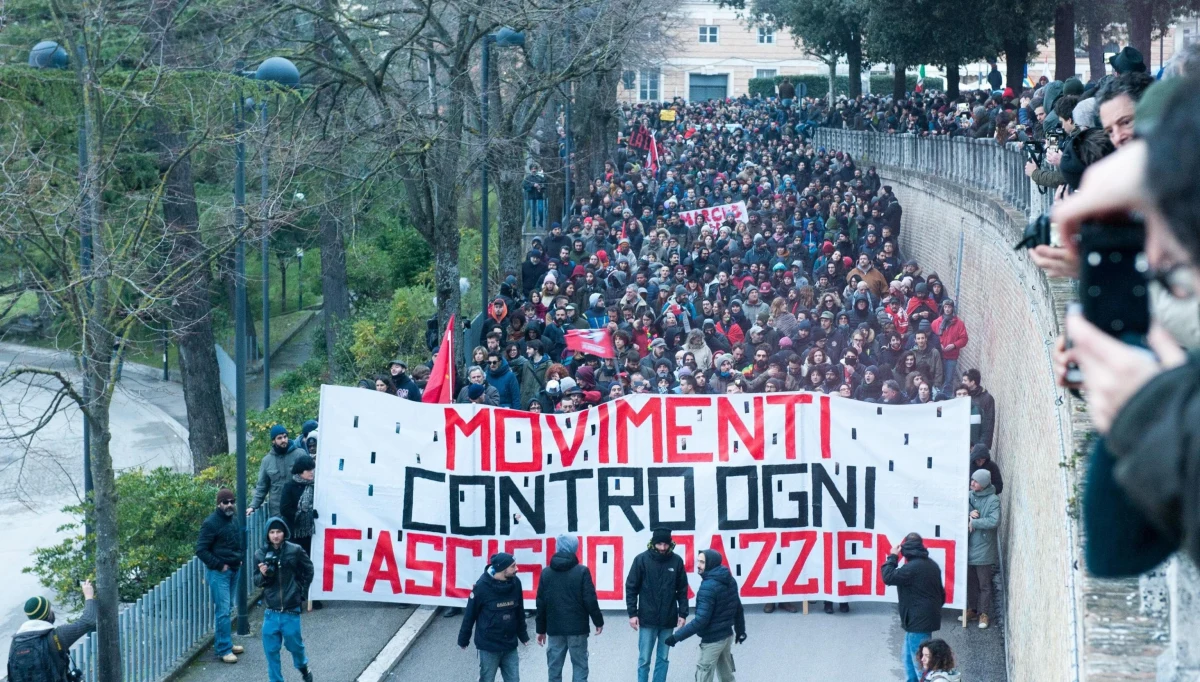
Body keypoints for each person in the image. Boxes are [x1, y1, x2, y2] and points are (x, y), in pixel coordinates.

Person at [664, 549, 746, 682]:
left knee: (704, 675)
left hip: (712, 640)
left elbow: (701, 620)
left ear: (711, 564)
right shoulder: (730, 580)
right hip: (727, 636)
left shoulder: (707, 588)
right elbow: (738, 609)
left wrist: (676, 637)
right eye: (699, 561)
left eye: (702, 562)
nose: (698, 565)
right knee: (726, 675)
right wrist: (740, 631)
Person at [535, 535, 604, 682]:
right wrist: (598, 621)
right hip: (578, 629)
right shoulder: (582, 571)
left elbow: (541, 604)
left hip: (554, 629)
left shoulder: (546, 573)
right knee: (580, 667)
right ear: (574, 548)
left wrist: (540, 630)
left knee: (554, 669)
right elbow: (590, 600)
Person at [254, 517, 315, 682]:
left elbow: (308, 569)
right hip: (271, 611)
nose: (275, 536)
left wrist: (300, 592)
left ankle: (303, 668)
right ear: (267, 534)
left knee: (295, 647)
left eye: (278, 532)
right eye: (272, 532)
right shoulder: (260, 554)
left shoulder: (294, 550)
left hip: (290, 610)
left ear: (284, 533)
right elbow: (257, 581)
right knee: (271, 652)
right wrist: (264, 574)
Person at [625, 528, 689, 682]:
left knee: (663, 658)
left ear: (670, 543)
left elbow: (682, 589)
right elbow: (631, 587)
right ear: (653, 543)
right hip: (647, 620)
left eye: (665, 544)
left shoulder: (677, 561)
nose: (662, 548)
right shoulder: (641, 560)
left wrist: (683, 613)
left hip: (668, 619)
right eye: (659, 544)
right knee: (644, 659)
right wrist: (632, 614)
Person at [881, 533, 945, 682]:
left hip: (918, 622)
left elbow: (888, 577)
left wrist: (892, 557)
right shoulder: (931, 564)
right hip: (919, 621)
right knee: (908, 660)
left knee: (920, 665)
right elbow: (941, 594)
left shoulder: (912, 568)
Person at [458, 553, 531, 682]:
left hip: (509, 645)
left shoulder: (516, 583)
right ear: (503, 569)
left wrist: (523, 635)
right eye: (513, 566)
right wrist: (463, 639)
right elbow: (470, 615)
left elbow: (519, 611)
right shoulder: (481, 587)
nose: (517, 569)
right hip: (489, 648)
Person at [8, 581, 96, 682]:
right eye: (50, 608)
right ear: (47, 614)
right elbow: (88, 620)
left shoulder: (16, 640)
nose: (52, 610)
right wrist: (89, 595)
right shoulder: (56, 636)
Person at [195, 487, 245, 663]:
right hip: (219, 573)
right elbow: (201, 549)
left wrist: (239, 559)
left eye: (232, 501)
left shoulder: (233, 519)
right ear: (218, 504)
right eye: (226, 502)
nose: (229, 505)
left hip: (233, 569)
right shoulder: (211, 523)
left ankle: (226, 642)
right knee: (223, 611)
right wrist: (219, 565)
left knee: (228, 608)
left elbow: (237, 540)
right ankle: (223, 649)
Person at [967, 469, 1001, 629]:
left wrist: (974, 523)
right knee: (971, 582)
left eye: (976, 481)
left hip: (984, 548)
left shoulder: (993, 500)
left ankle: (984, 614)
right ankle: (972, 610)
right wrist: (968, 514)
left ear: (985, 484)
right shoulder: (969, 495)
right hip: (968, 546)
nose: (972, 483)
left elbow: (994, 521)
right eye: (972, 480)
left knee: (984, 584)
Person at [249, 424, 303, 518]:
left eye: (285, 437)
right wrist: (253, 506)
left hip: (298, 507)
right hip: (277, 511)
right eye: (279, 438)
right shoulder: (267, 461)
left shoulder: (300, 454)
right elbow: (262, 487)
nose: (283, 440)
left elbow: (310, 479)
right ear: (273, 441)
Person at [962, 369, 996, 449]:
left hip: (978, 442)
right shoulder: (963, 395)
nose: (962, 382)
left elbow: (989, 422)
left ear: (972, 382)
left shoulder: (986, 399)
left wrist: (983, 445)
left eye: (965, 380)